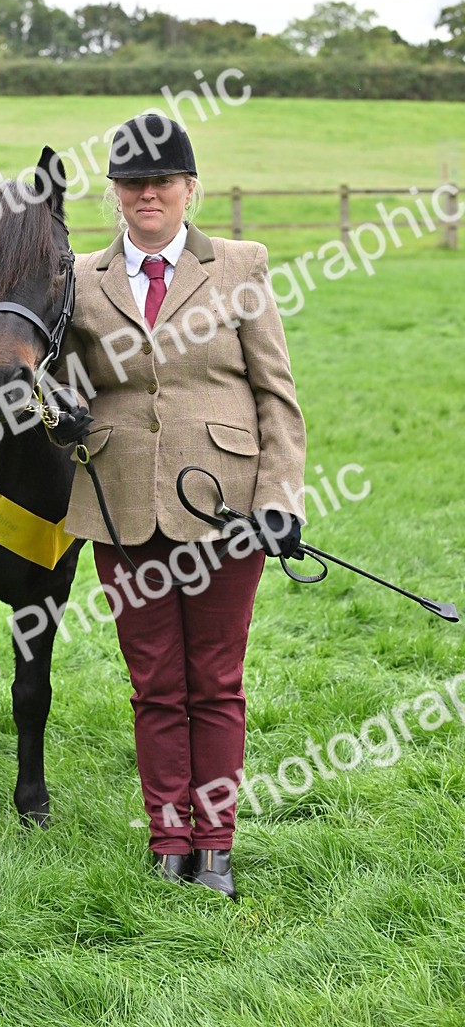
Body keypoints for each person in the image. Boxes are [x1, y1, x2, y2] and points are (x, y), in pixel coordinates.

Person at [50, 114, 306, 898]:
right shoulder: (77, 277)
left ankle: (217, 846)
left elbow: (276, 395)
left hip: (228, 508)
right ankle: (169, 840)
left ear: (191, 188)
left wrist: (280, 501)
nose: (149, 193)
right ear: (115, 194)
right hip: (121, 503)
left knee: (216, 680)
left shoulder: (241, 265)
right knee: (156, 681)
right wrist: (59, 414)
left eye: (164, 179)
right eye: (133, 182)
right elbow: (59, 385)